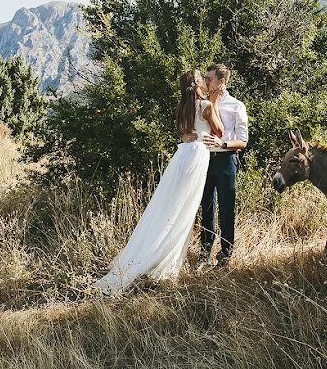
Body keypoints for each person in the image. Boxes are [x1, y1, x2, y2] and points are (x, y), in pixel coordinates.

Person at [91, 69, 224, 295]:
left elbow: (182, 131)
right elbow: (219, 131)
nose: (205, 81)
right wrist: (214, 102)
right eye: (203, 78)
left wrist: (185, 134)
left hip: (181, 155)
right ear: (198, 83)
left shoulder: (182, 107)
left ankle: (151, 252)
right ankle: (165, 261)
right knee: (185, 210)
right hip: (197, 156)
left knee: (168, 206)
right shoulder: (206, 106)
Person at [182, 63, 249, 268]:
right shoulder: (199, 104)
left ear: (221, 81)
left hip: (226, 160)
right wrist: (184, 136)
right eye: (206, 78)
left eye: (209, 78)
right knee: (206, 207)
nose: (206, 81)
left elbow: (243, 141)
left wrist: (224, 144)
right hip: (203, 160)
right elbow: (186, 125)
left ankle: (226, 253)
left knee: (227, 208)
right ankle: (205, 252)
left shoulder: (236, 106)